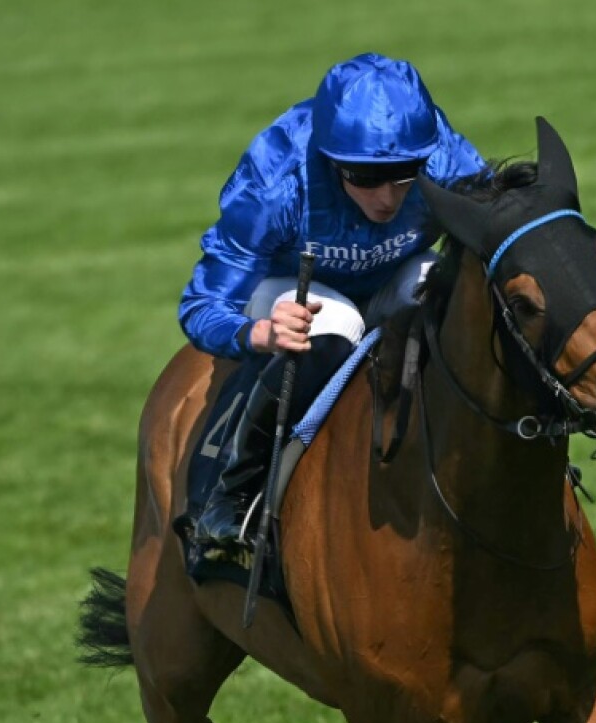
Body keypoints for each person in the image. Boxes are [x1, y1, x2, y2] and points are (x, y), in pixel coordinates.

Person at [178, 52, 486, 554]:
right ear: (329, 160)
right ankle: (232, 495)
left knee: (450, 287)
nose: (387, 197)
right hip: (286, 288)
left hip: (396, 278)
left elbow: (496, 241)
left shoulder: (444, 160)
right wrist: (258, 334)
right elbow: (202, 304)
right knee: (337, 323)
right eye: (364, 177)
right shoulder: (276, 180)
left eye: (405, 173)